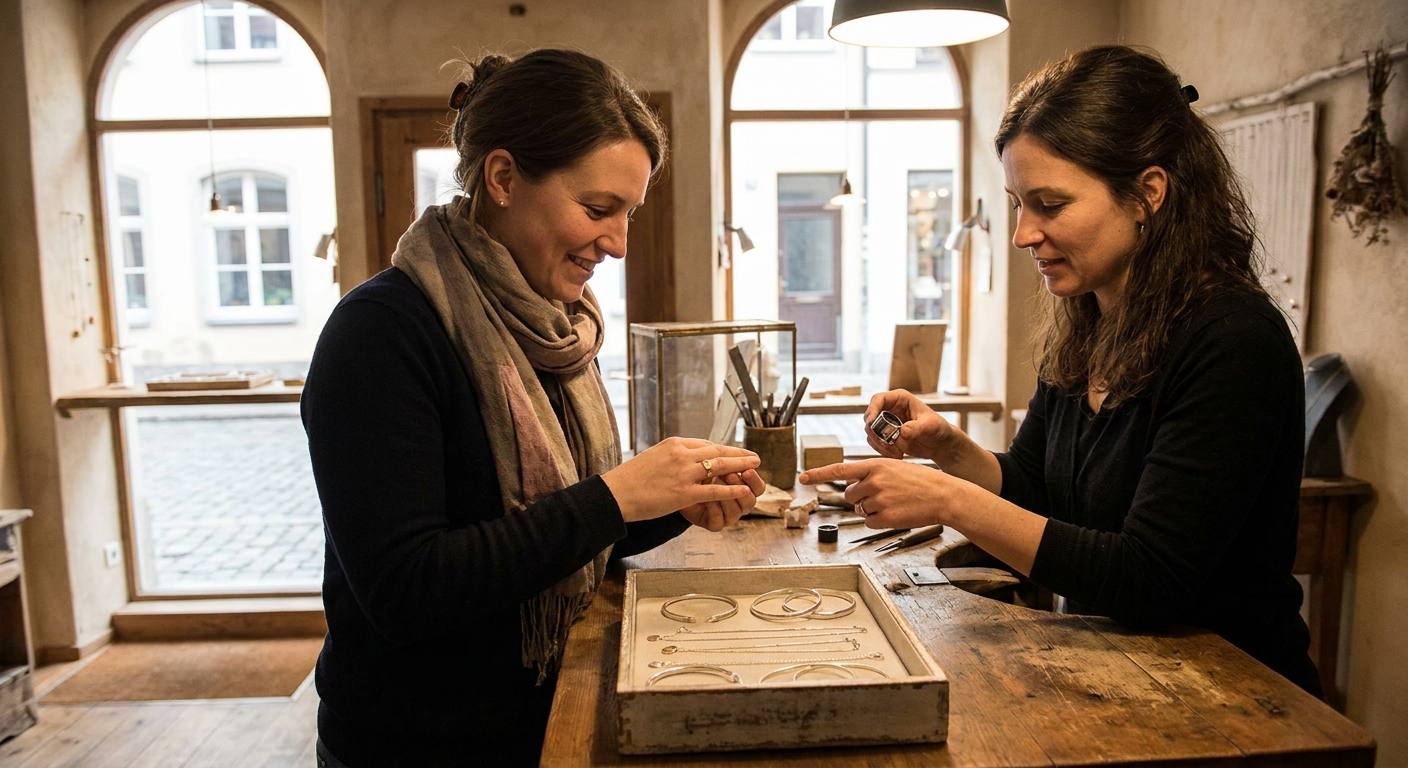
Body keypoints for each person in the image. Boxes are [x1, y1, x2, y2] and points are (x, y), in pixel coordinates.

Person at [801, 45, 1320, 696]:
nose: (1023, 234)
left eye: (1049, 204)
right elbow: (1035, 491)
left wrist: (948, 500)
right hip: (1131, 681)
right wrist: (946, 448)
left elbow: (1147, 579)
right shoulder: (1087, 325)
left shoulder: (1232, 340)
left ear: (1146, 195)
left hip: (1239, 698)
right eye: (1018, 203)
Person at [302, 49, 765, 766]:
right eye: (599, 209)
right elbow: (406, 589)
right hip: (417, 742)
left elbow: (560, 539)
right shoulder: (381, 333)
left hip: (544, 715)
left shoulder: (552, 329)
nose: (617, 243)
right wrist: (618, 497)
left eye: (630, 215)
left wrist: (675, 500)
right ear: (504, 177)